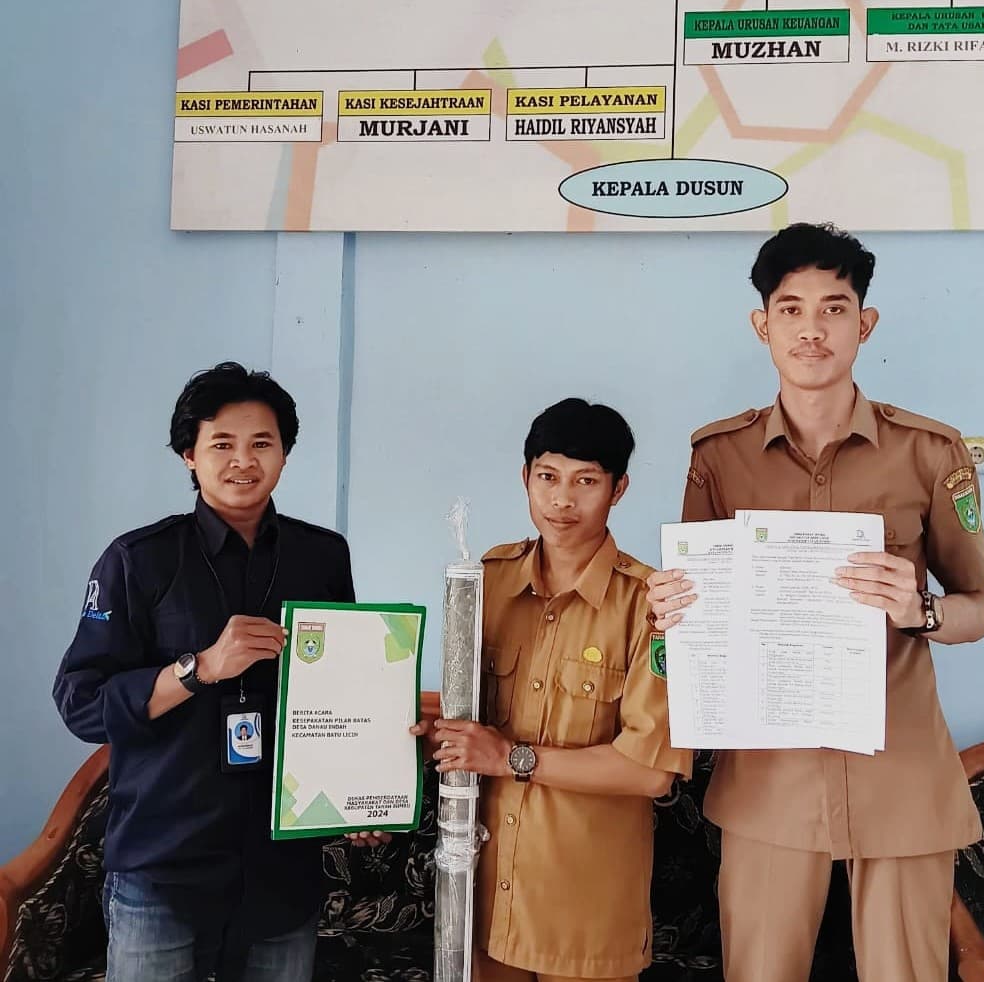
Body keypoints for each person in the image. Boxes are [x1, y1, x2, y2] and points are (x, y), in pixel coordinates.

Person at [647, 223, 984, 982]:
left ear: (864, 324)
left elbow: (978, 607)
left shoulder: (931, 453)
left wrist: (922, 611)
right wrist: (670, 613)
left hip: (900, 775)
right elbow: (692, 619)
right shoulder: (718, 457)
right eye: (791, 308)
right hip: (770, 783)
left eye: (834, 308)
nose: (812, 329)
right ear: (762, 324)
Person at [54, 362, 355, 982]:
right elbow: (82, 703)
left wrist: (360, 799)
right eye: (222, 443)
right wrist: (199, 668)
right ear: (188, 454)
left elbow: (344, 690)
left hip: (280, 868)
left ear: (285, 454)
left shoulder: (321, 556)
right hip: (165, 862)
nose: (243, 460)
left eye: (262, 443)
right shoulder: (138, 559)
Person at [423, 398, 692, 982]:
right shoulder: (485, 583)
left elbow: (649, 772)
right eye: (547, 477)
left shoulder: (652, 604)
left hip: (587, 911)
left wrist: (508, 757)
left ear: (618, 488)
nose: (562, 500)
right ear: (525, 477)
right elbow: (461, 717)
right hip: (486, 901)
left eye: (586, 481)